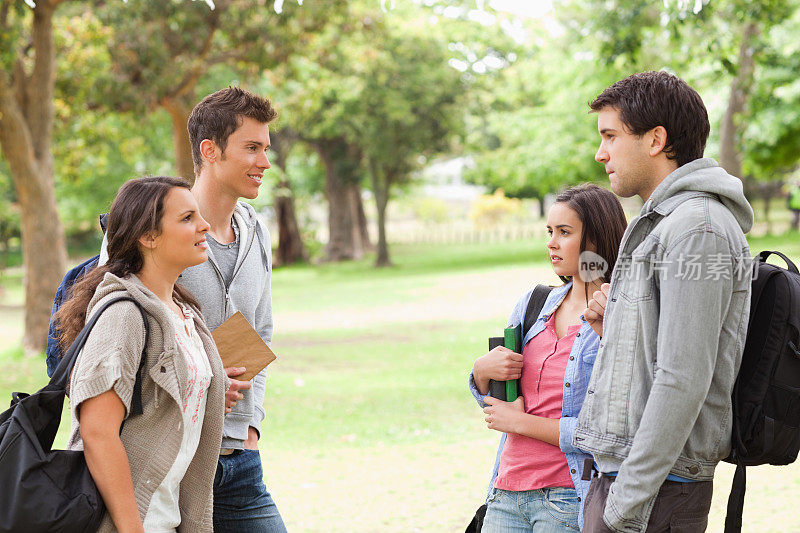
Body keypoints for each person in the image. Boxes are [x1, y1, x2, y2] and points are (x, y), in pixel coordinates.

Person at [575, 71, 754, 533]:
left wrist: (624, 506)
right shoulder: (663, 221)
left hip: (656, 491)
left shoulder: (699, 228)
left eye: (611, 136)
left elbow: (684, 376)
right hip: (630, 478)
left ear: (656, 139)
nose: (601, 153)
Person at [59, 176, 227, 532]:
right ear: (148, 237)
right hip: (127, 523)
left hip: (170, 517)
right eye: (186, 218)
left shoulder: (184, 310)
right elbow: (97, 431)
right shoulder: (124, 314)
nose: (204, 226)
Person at [469, 184, 628, 532]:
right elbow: (501, 402)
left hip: (568, 497)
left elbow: (608, 430)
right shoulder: (535, 303)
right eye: (550, 232)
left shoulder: (622, 314)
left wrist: (520, 423)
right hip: (506, 491)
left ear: (597, 240)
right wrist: (481, 373)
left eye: (564, 232)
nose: (551, 243)